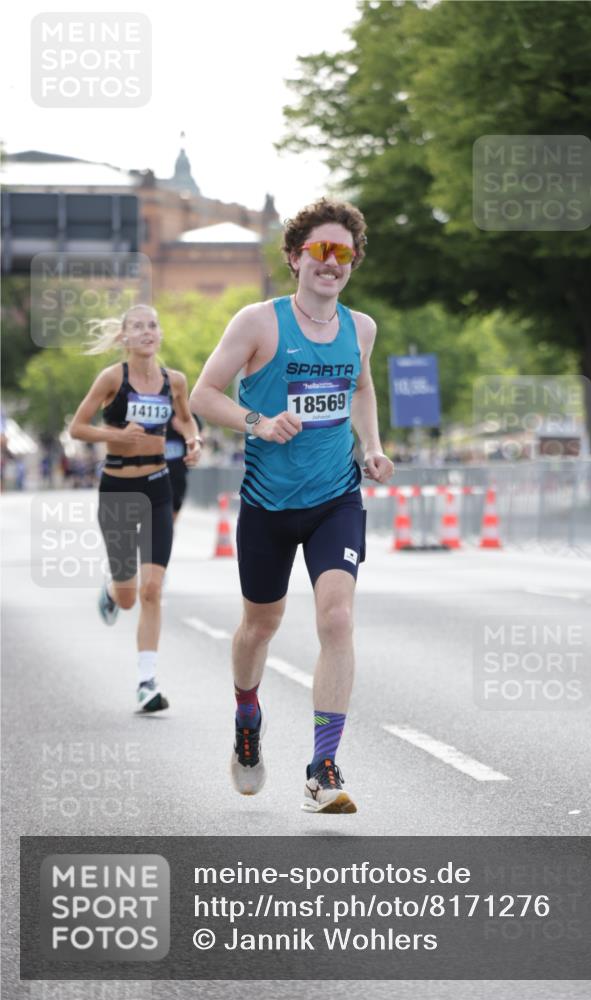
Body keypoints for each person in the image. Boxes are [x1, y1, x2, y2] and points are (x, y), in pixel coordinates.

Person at [190, 198, 394, 813]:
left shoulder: (361, 327)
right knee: (261, 626)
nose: (331, 264)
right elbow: (203, 394)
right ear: (295, 257)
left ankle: (323, 768)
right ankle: (247, 716)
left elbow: (361, 385)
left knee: (336, 620)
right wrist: (256, 421)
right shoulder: (259, 323)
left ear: (353, 262)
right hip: (268, 505)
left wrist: (373, 447)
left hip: (336, 498)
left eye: (343, 253)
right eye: (320, 251)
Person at [69, 304, 202, 711]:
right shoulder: (113, 378)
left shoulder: (174, 381)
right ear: (125, 337)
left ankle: (147, 682)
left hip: (157, 488)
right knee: (128, 596)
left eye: (153, 326)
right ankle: (111, 592)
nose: (147, 332)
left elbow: (186, 420)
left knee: (152, 589)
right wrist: (117, 435)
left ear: (160, 335)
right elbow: (77, 427)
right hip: (118, 492)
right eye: (138, 327)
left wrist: (194, 441)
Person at [166, 412, 204, 522]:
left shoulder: (186, 412)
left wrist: (185, 430)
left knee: (168, 525)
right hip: (151, 473)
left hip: (177, 476)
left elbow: (199, 439)